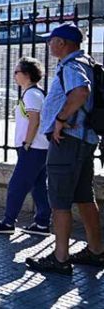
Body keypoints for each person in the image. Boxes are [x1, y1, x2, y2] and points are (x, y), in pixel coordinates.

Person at [26, 22, 103, 275]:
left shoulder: (71, 65)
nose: (49, 44)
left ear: (63, 43)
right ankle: (95, 250)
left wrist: (59, 120)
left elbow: (80, 92)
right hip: (85, 140)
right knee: (84, 196)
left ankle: (60, 258)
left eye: (52, 40)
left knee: (59, 200)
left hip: (67, 141)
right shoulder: (87, 62)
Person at [0, 57, 51, 236]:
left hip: (33, 148)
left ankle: (8, 222)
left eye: (17, 72)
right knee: (38, 186)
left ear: (27, 75)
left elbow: (34, 120)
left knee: (17, 185)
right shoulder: (35, 93)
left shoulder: (31, 94)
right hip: (39, 148)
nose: (14, 75)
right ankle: (42, 223)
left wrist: (27, 143)